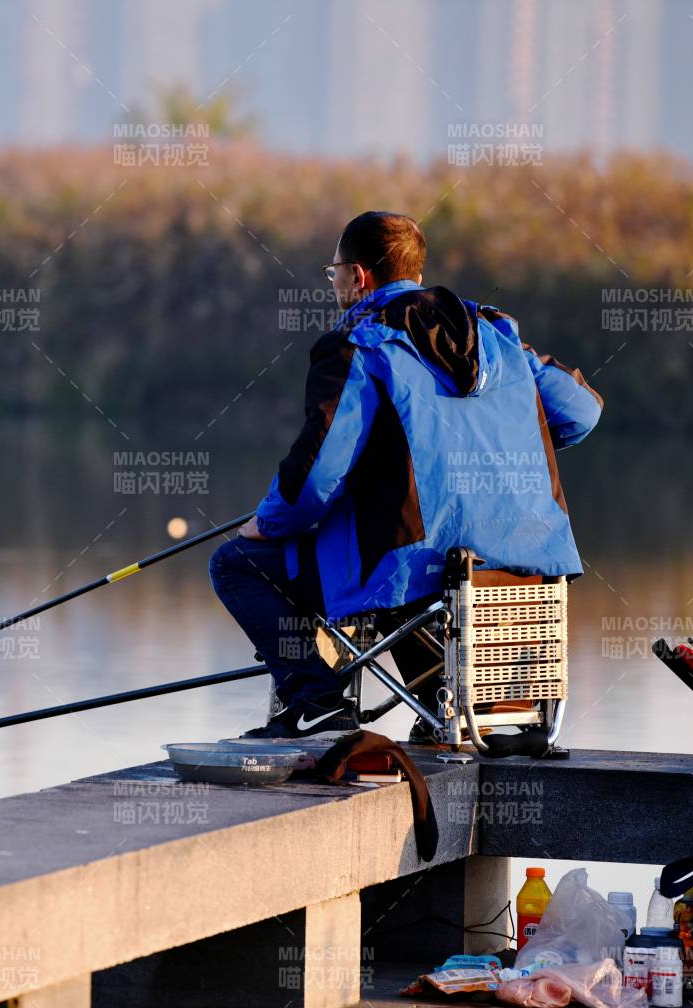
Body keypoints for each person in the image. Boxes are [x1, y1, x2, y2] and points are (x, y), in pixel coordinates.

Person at [210, 211, 603, 740]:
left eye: (334, 274)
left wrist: (268, 521)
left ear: (358, 276)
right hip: (526, 568)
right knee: (382, 557)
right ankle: (447, 705)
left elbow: (315, 479)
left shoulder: (359, 345)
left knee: (236, 563)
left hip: (416, 574)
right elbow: (581, 413)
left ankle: (319, 702)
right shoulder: (499, 337)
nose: (334, 285)